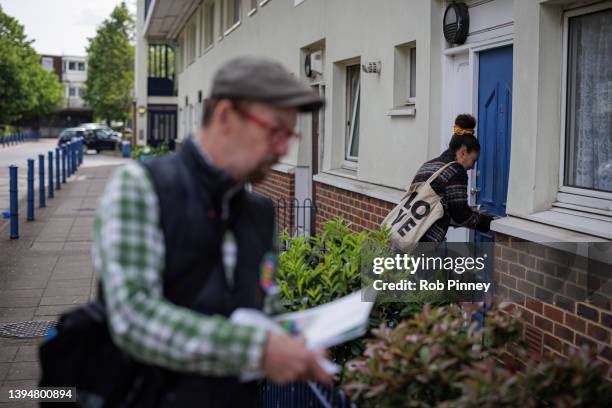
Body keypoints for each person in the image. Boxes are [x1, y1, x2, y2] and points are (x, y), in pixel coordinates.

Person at [92, 56, 331, 407]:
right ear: (224, 116)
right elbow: (132, 316)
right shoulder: (141, 187)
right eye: (275, 130)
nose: (283, 149)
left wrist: (298, 342)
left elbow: (265, 311)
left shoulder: (259, 213)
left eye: (289, 134)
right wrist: (259, 350)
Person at [411, 114, 494, 242]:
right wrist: (490, 223)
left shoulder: (428, 165)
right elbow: (461, 215)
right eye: (473, 160)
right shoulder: (456, 171)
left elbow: (440, 207)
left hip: (408, 235)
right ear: (463, 152)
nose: (472, 166)